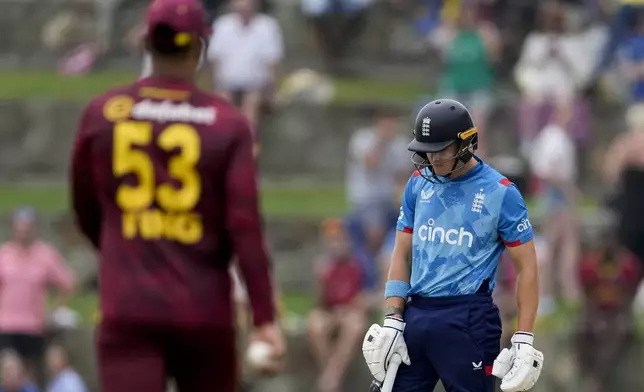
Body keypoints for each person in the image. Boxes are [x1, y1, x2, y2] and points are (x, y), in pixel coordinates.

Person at [69, 1, 284, 392]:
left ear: (147, 42)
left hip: (128, 305)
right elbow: (244, 227)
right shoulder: (227, 123)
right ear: (200, 46)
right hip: (203, 309)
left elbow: (85, 208)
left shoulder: (104, 112)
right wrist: (264, 317)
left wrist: (124, 248)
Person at [361, 99, 543, 392]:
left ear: (466, 143)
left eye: (441, 149)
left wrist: (524, 337)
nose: (433, 159)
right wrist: (393, 317)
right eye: (426, 151)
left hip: (468, 319)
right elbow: (402, 252)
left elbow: (527, 265)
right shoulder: (418, 183)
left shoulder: (501, 193)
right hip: (415, 314)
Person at [0, 208, 75, 387]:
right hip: (6, 325)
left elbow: (67, 283)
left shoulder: (45, 255)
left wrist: (55, 310)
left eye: (27, 228)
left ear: (34, 229)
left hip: (34, 326)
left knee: (30, 376)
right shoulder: (4, 255)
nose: (23, 233)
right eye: (19, 229)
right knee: (9, 374)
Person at [307, 218, 366, 392]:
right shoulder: (324, 265)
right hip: (329, 311)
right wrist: (320, 280)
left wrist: (352, 306)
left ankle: (330, 378)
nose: (336, 245)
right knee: (315, 324)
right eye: (332, 240)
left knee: (354, 326)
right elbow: (318, 303)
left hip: (351, 311)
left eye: (339, 240)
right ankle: (331, 376)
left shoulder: (359, 263)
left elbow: (370, 294)